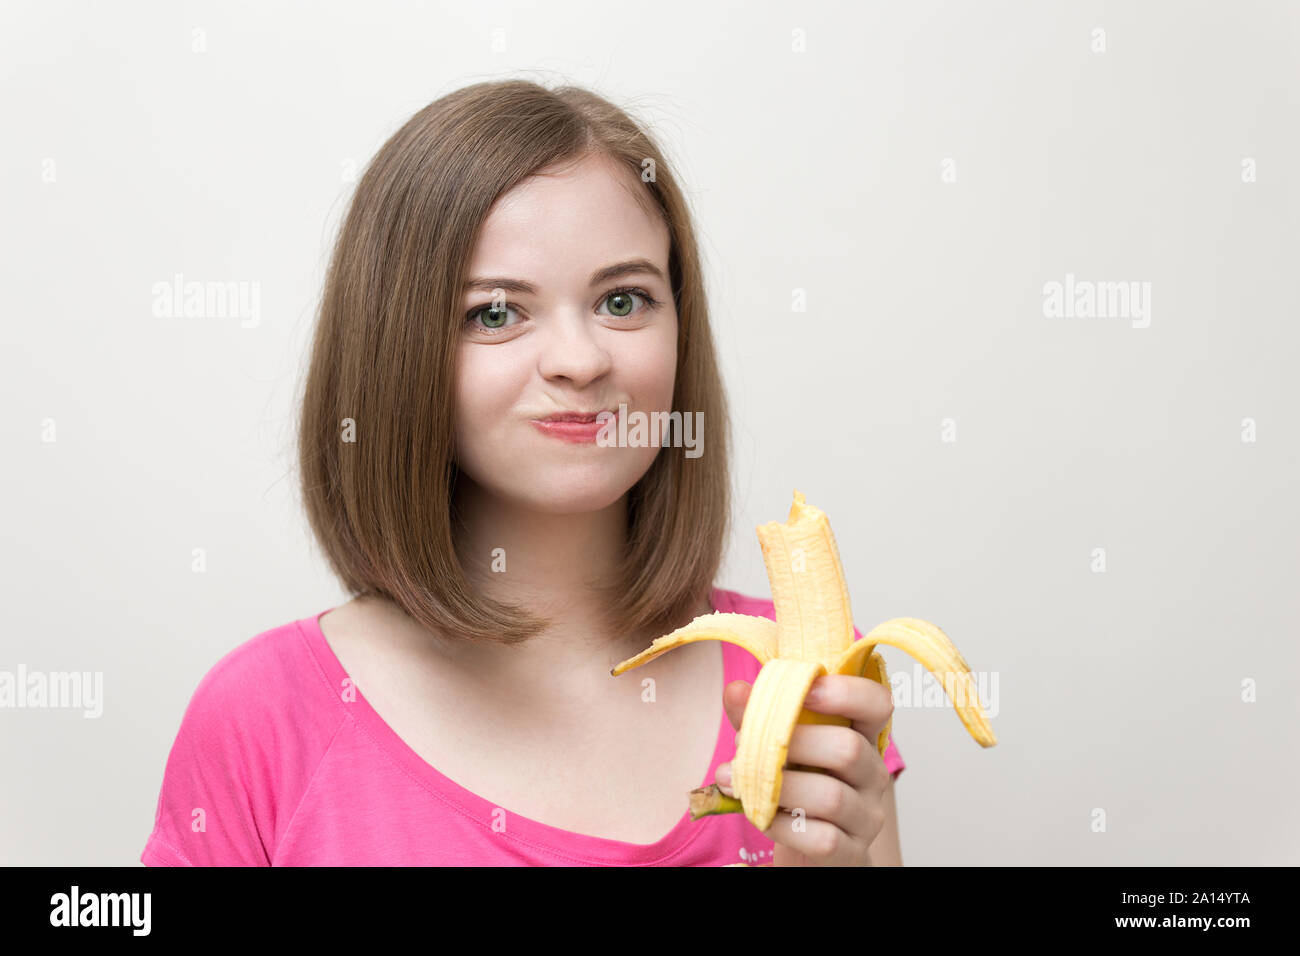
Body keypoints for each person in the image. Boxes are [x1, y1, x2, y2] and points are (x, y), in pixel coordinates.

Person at [140, 79, 904, 867]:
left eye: (623, 300)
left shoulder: (808, 679)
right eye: (496, 313)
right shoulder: (263, 723)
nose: (580, 360)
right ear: (395, 354)